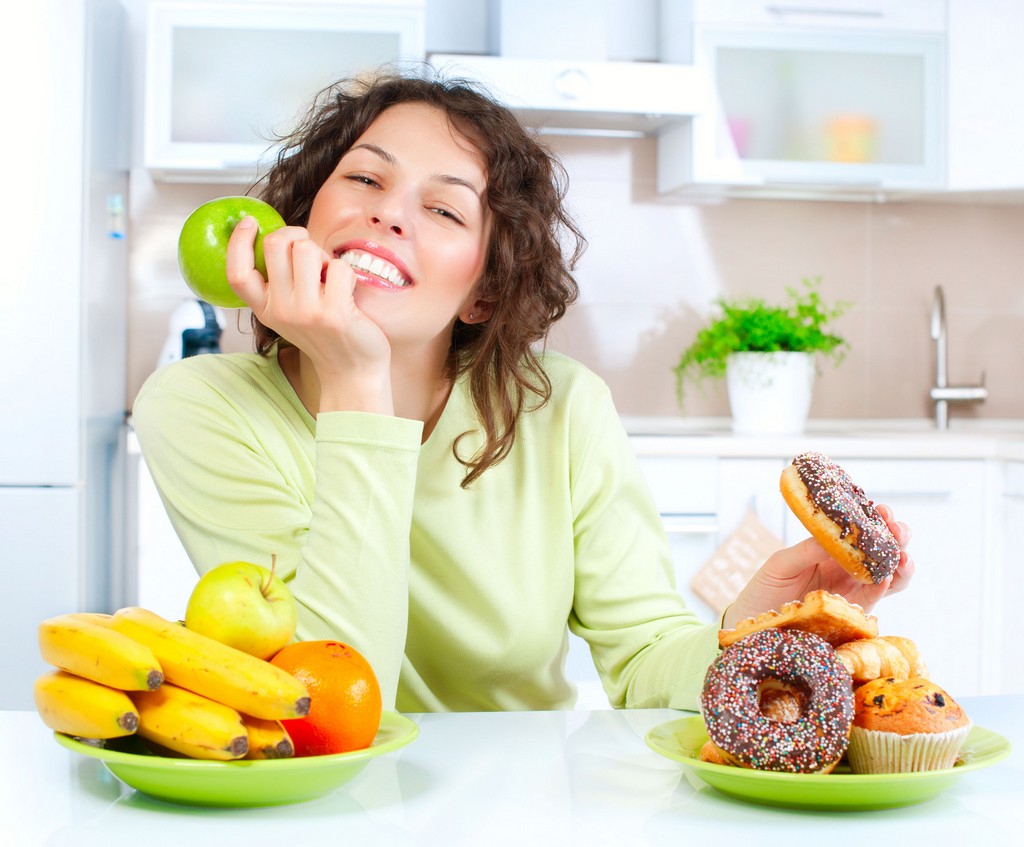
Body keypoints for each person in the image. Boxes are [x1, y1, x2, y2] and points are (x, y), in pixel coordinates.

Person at [133, 70, 913, 713]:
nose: (387, 211)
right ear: (296, 224)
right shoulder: (198, 406)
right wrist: (353, 378)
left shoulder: (563, 409)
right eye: (365, 177)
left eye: (442, 208)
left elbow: (643, 660)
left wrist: (752, 629)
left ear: (482, 292)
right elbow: (332, 694)